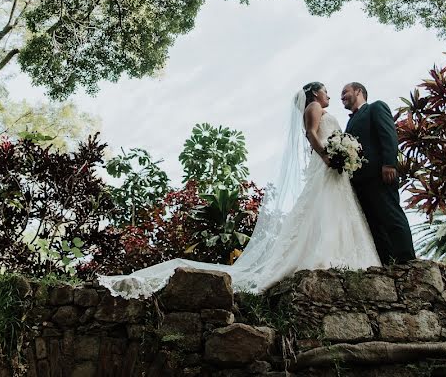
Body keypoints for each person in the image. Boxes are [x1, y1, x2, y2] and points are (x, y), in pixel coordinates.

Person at [97, 82, 380, 299]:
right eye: (327, 91)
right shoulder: (315, 108)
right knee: (325, 210)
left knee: (331, 211)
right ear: (315, 93)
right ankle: (327, 255)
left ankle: (340, 255)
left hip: (331, 171)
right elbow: (311, 136)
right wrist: (328, 157)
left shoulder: (321, 109)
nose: (330, 96)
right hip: (326, 167)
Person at [341, 82, 416, 264]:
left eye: (345, 92)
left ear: (358, 91)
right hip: (359, 182)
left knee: (391, 215)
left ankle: (407, 259)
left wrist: (389, 164)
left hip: (380, 175)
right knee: (373, 225)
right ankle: (387, 262)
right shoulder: (349, 122)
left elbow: (388, 135)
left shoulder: (376, 107)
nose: (342, 96)